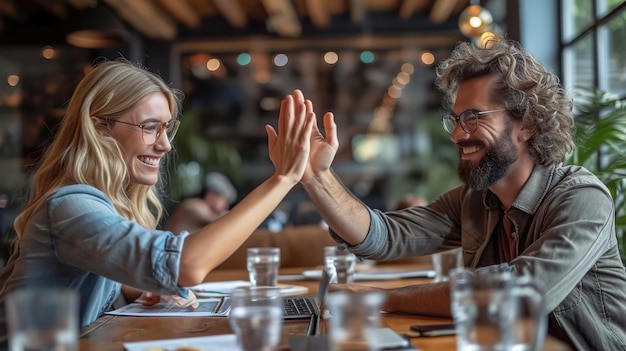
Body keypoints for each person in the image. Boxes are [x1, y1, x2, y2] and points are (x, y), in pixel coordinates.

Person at [298, 37, 626, 350]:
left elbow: (518, 291)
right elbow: (383, 236)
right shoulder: (473, 201)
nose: (457, 135)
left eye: (473, 118)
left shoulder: (582, 197)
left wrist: (383, 298)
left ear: (526, 124)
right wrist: (316, 177)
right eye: (455, 120)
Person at [0, 59, 315, 345]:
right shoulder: (71, 206)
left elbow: (82, 287)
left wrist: (135, 288)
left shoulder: (100, 204)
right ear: (99, 127)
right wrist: (282, 178)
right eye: (150, 127)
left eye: (167, 129)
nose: (165, 145)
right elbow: (187, 267)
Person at [163, 172, 237, 234]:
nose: (226, 206)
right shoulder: (194, 205)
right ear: (210, 195)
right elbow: (212, 220)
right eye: (224, 200)